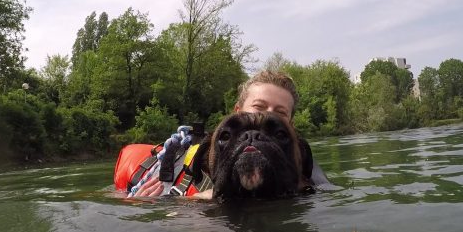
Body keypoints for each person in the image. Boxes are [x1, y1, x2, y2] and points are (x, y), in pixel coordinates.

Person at [129, 70, 327, 198]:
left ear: (290, 124)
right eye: (258, 107)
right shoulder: (209, 155)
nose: (267, 115)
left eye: (280, 113)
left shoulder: (303, 161)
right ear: (238, 111)